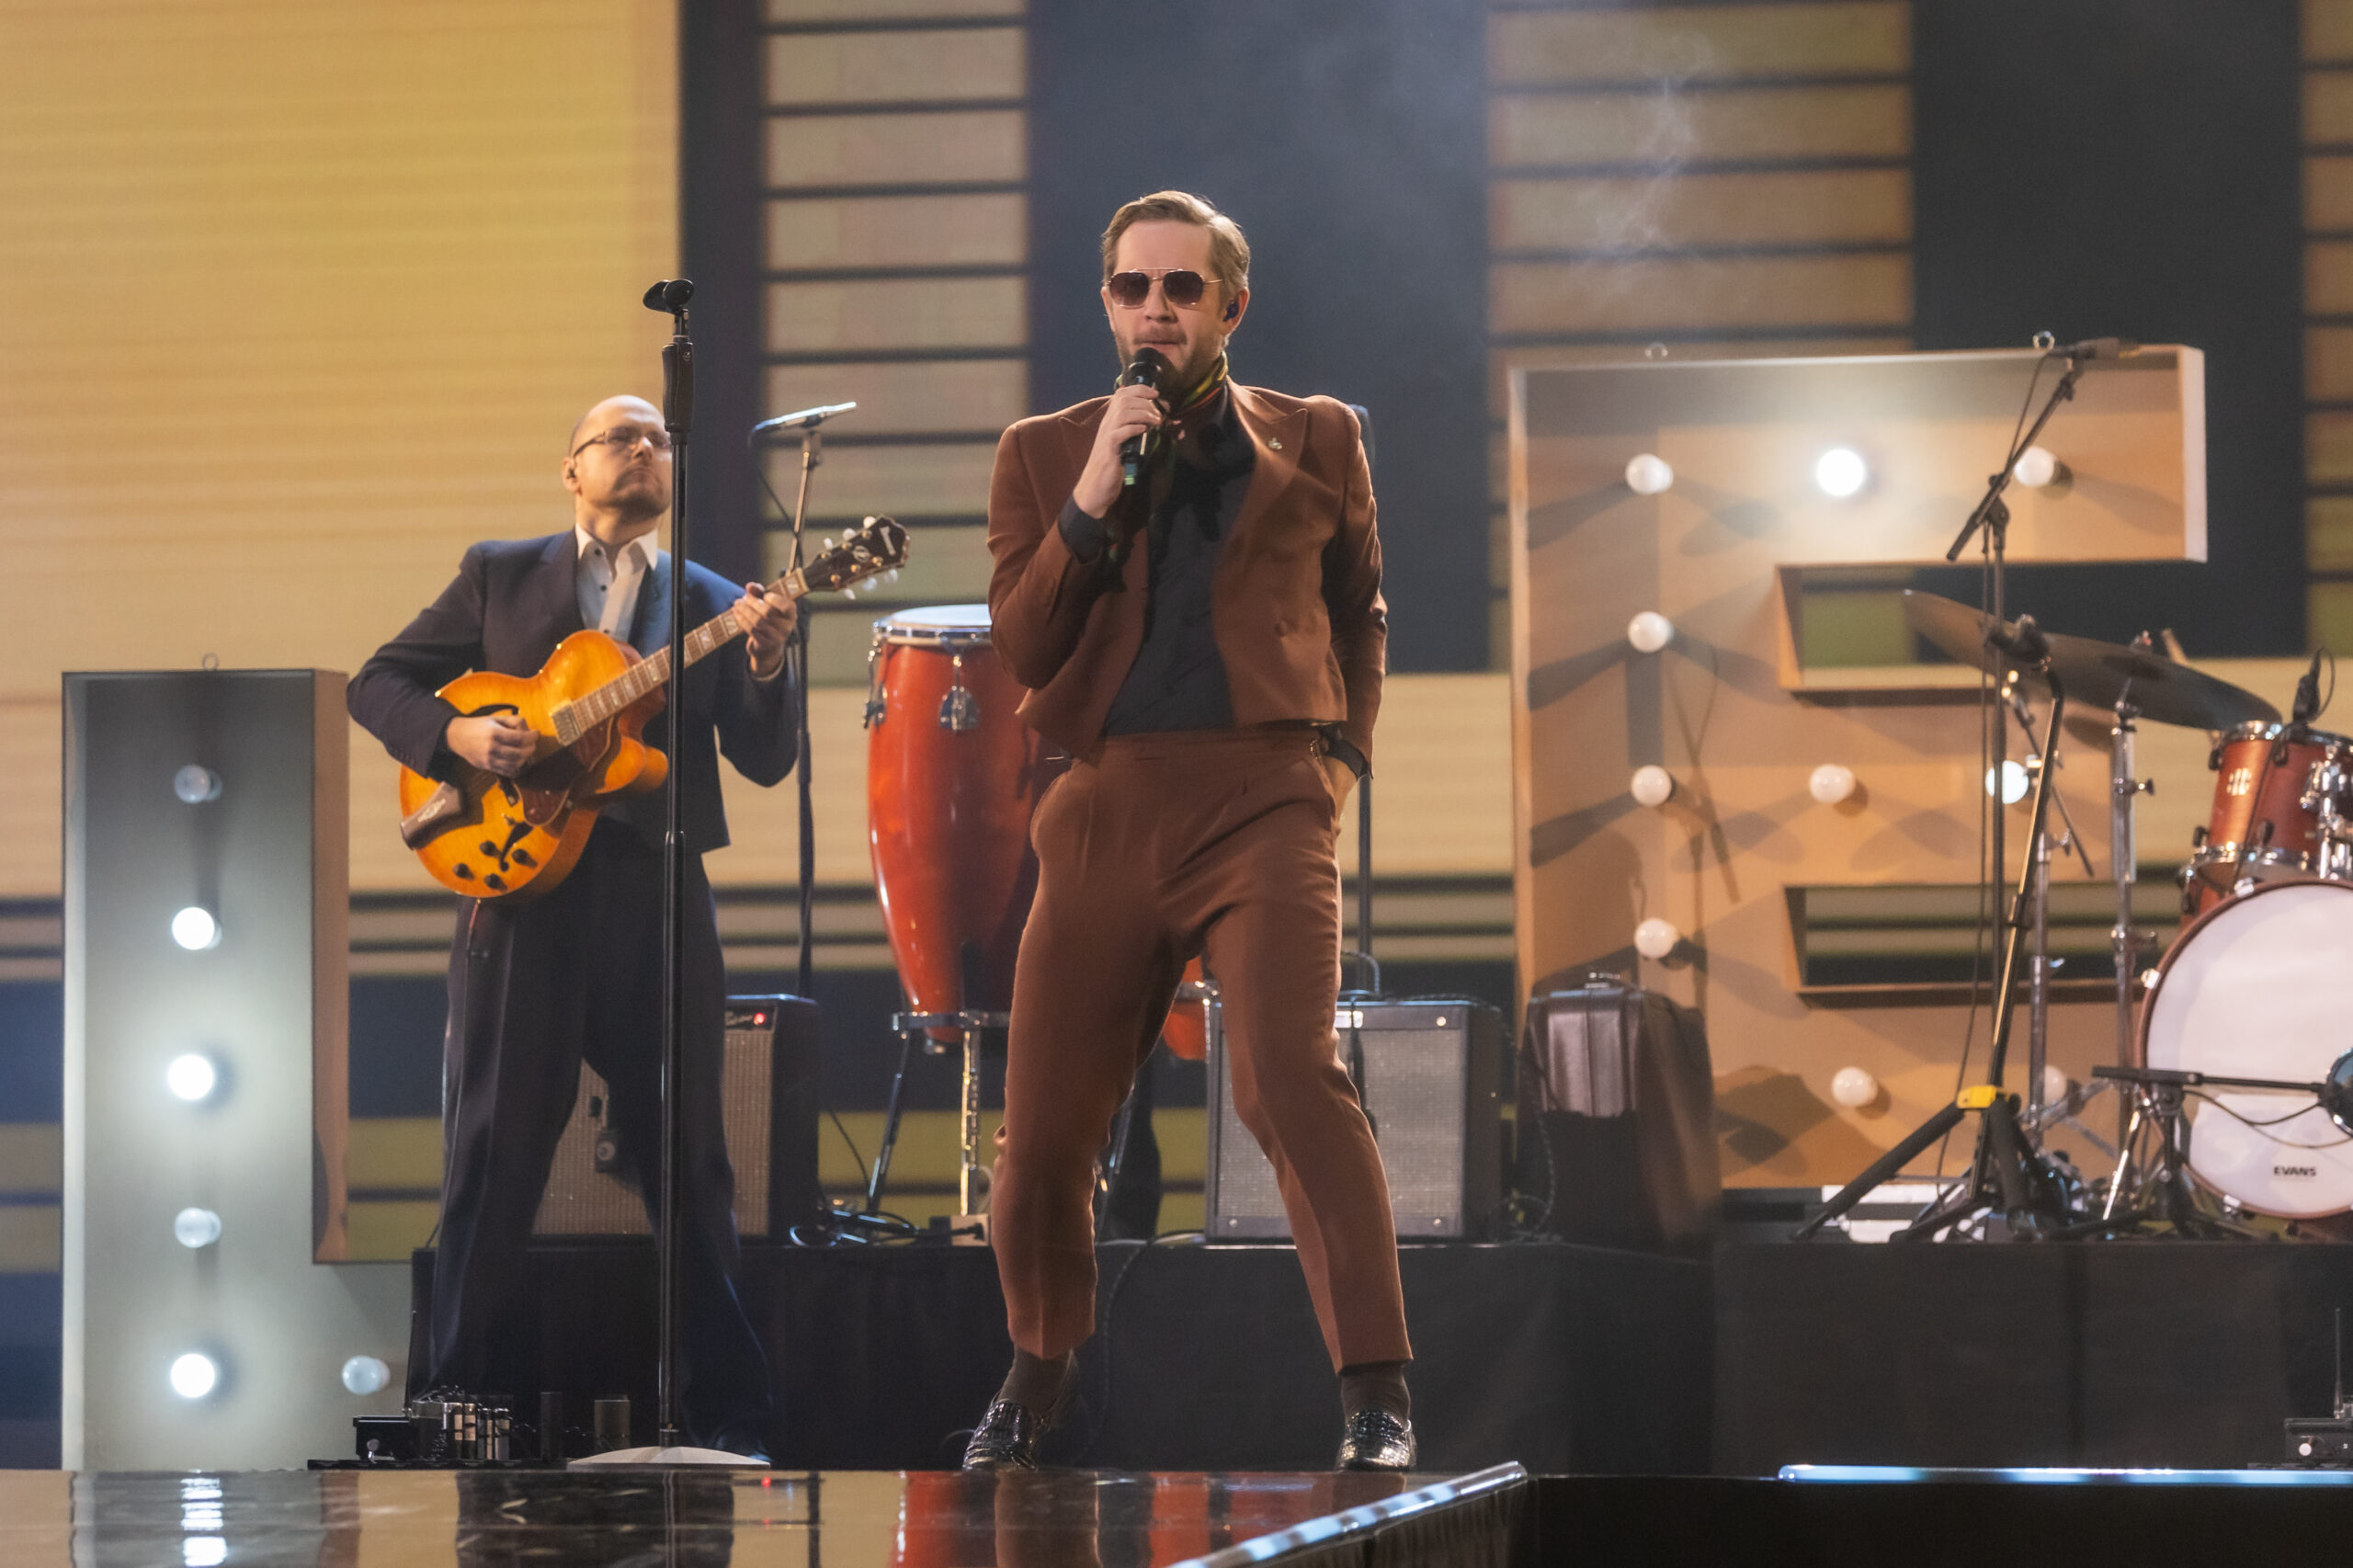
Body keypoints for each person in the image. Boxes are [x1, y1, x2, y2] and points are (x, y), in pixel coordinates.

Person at [969, 191, 1415, 1471]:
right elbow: (1026, 641)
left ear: (1231, 304)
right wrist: (1094, 490)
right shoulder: (1043, 450)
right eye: (1132, 286)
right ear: (1107, 303)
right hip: (1107, 795)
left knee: (1291, 1080)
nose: (1155, 307)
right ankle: (1039, 1372)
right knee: (1044, 1128)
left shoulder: (1318, 434)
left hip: (1266, 791)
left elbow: (1360, 611)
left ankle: (1376, 1391)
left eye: (1181, 286)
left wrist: (1340, 761)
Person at [347, 394, 799, 1458]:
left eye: (657, 439)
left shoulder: (713, 599)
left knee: (689, 1157)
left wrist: (766, 661)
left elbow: (767, 757)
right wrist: (458, 734)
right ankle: (453, 1399)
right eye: (618, 437)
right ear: (572, 468)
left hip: (657, 888)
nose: (642, 449)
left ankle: (723, 1414)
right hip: (522, 894)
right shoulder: (500, 574)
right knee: (496, 1144)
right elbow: (378, 683)